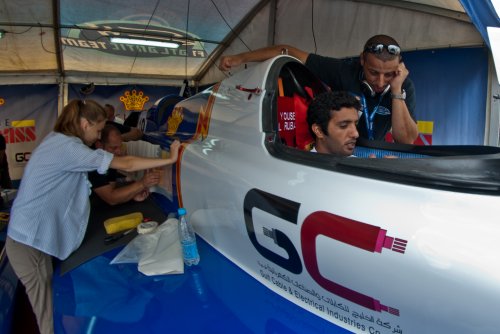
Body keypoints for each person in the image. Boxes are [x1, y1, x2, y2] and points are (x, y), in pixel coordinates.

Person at [5, 99, 180, 334]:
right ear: (85, 123)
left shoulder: (58, 141)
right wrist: (168, 159)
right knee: (46, 313)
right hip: (29, 242)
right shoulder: (68, 147)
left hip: (29, 237)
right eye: (97, 130)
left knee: (48, 302)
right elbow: (126, 163)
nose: (97, 136)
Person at [219, 34, 418, 144]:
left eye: (389, 74)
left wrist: (396, 90)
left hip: (374, 151)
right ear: (362, 60)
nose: (381, 82)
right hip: (339, 150)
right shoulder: (343, 71)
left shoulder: (402, 84)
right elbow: (287, 51)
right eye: (373, 72)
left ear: (399, 67)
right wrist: (241, 58)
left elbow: (406, 139)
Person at [89, 124, 160, 206]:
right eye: (113, 148)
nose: (119, 152)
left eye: (120, 146)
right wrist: (142, 183)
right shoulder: (92, 162)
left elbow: (111, 188)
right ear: (99, 145)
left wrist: (131, 195)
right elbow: (111, 198)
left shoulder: (110, 157)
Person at [307, 91, 361, 156]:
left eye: (356, 125)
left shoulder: (360, 163)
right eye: (343, 126)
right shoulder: (300, 165)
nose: (356, 134)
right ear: (319, 131)